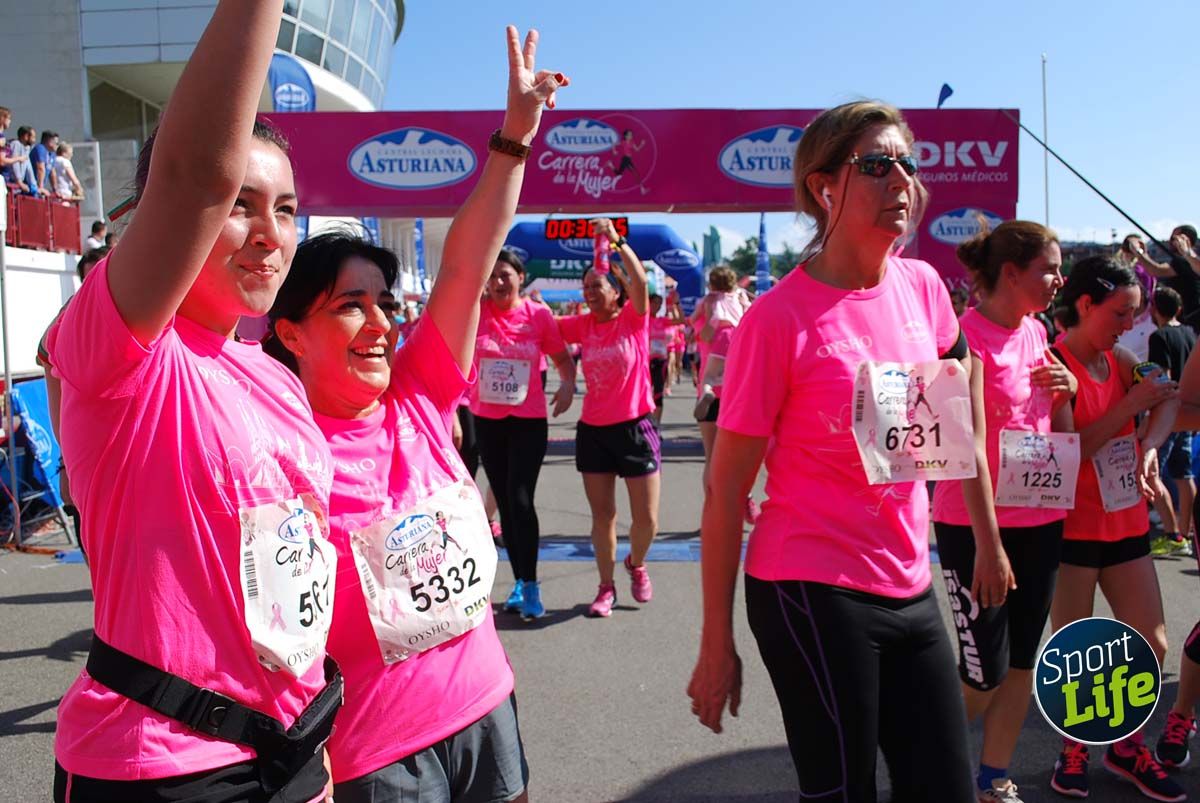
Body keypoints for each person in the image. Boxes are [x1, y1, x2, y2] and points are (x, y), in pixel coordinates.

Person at [44, 3, 343, 801]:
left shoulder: (277, 374)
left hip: (292, 748)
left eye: (284, 209)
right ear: (161, 222)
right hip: (160, 764)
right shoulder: (123, 349)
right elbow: (190, 177)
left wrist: (315, 746)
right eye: (239, 204)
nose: (268, 233)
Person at [265, 27, 565, 801]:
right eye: (349, 305)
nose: (378, 323)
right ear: (291, 331)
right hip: (377, 753)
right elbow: (275, 636)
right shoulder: (275, 451)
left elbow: (467, 259)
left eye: (384, 303)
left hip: (484, 705)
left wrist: (515, 136)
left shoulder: (419, 394)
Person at [688, 100, 1004, 803]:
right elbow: (725, 490)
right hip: (809, 585)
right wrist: (717, 642)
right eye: (876, 164)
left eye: (907, 164)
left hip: (908, 578)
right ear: (824, 187)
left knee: (946, 787)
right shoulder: (776, 321)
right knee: (842, 792)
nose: (901, 179)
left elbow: (959, 420)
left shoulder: (924, 289)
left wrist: (987, 534)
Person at [931, 221, 1075, 803]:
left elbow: (1056, 435)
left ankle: (993, 776)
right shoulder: (960, 341)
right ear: (1010, 273)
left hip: (1040, 521)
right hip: (972, 528)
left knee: (1020, 663)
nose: (1059, 278)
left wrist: (1066, 391)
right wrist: (989, 547)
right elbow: (957, 452)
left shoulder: (1038, 331)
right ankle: (916, 746)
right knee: (980, 674)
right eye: (1050, 268)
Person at [1044, 256, 1183, 802]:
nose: (1130, 325)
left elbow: (1167, 396)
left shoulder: (1121, 358)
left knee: (1151, 642)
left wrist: (1149, 447)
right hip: (1071, 528)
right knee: (1075, 652)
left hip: (1125, 521)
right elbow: (1068, 453)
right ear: (1085, 306)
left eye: (1134, 313)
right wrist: (1130, 405)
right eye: (1121, 312)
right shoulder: (1056, 367)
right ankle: (1072, 750)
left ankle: (1126, 746)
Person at [558, 217, 659, 618]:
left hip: (636, 428)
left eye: (596, 286)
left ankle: (636, 563)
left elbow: (640, 281)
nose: (589, 293)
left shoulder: (634, 320)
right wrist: (565, 377)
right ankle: (606, 587)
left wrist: (617, 242)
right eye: (585, 288)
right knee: (604, 517)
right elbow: (542, 331)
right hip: (594, 432)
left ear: (617, 293)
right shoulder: (582, 325)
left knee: (647, 520)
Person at [472, 248, 576, 620]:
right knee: (503, 497)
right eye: (493, 276)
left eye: (506, 275)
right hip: (487, 420)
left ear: (520, 277)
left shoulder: (539, 315)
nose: (499, 282)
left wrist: (567, 385)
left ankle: (530, 584)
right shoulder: (476, 312)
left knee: (518, 500)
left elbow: (562, 359)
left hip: (527, 420)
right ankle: (519, 581)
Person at [1148, 285, 1197, 556]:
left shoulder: (1160, 337)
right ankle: (1185, 530)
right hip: (1188, 415)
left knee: (1152, 471)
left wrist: (1149, 416)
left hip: (1169, 413)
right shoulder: (1190, 333)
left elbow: (1162, 378)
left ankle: (1172, 533)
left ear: (1154, 309)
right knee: (1184, 474)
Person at [648, 290, 685, 424]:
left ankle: (656, 425)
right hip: (644, 363)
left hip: (660, 361)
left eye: (659, 303)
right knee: (644, 394)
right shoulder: (642, 320)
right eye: (654, 303)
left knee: (658, 394)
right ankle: (644, 423)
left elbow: (681, 320)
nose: (656, 306)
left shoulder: (662, 321)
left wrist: (675, 304)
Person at [30, 130, 58, 196]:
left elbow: (52, 173)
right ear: (49, 141)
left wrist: (55, 190)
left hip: (39, 188)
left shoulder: (52, 154)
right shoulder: (40, 148)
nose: (57, 145)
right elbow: (40, 168)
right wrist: (40, 188)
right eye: (56, 143)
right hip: (32, 187)